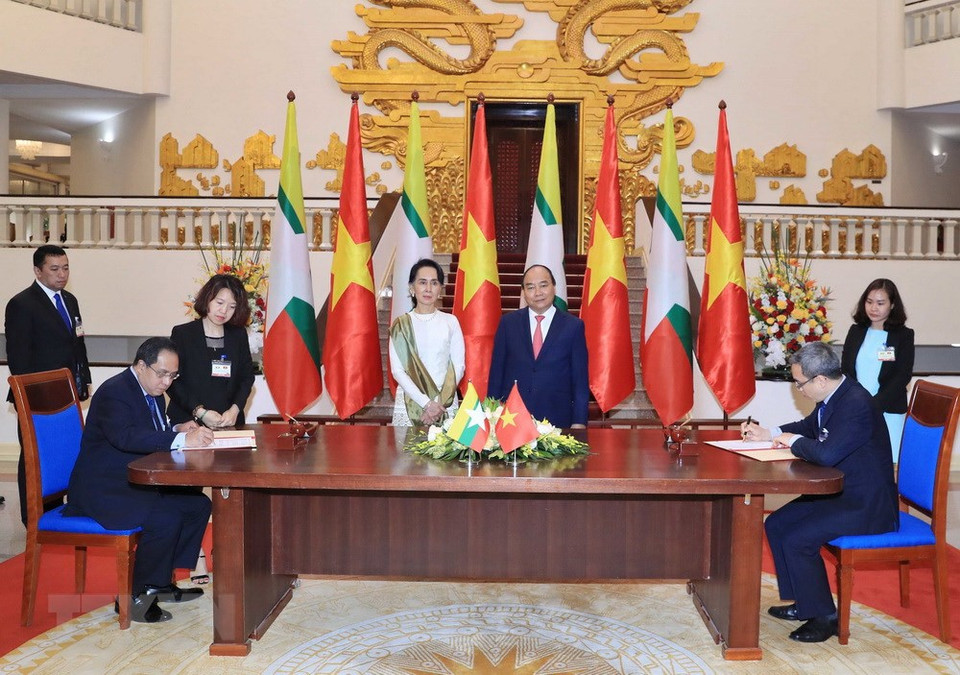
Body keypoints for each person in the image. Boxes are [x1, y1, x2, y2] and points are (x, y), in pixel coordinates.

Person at [741, 341, 898, 643]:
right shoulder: (835, 396)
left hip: (866, 504)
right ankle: (805, 601)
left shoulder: (857, 405)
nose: (798, 389)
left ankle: (825, 618)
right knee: (776, 523)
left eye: (799, 383)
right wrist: (771, 434)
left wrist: (791, 441)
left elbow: (826, 454)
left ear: (821, 380)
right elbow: (809, 427)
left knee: (799, 539)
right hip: (840, 492)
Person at [64, 338, 215, 623]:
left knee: (197, 506)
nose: (167, 382)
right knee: (166, 516)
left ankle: (160, 583)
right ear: (141, 365)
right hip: (103, 488)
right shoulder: (115, 392)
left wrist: (176, 427)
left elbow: (151, 430)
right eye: (162, 373)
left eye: (173, 375)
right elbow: (127, 436)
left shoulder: (151, 388)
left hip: (133, 479)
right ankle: (134, 597)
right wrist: (181, 439)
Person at [5, 244, 91, 525]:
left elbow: (78, 343)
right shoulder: (22, 304)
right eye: (54, 269)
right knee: (34, 456)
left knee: (62, 452)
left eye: (65, 268)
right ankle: (33, 515)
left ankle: (54, 511)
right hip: (36, 397)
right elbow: (18, 358)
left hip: (65, 396)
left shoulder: (71, 300)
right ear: (37, 270)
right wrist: (29, 396)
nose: (62, 274)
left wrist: (84, 379)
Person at [488, 264, 589, 428]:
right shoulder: (508, 323)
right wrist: (492, 413)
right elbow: (496, 373)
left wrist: (579, 422)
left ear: (554, 287)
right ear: (524, 293)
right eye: (530, 287)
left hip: (557, 418)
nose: (538, 293)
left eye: (543, 285)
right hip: (512, 419)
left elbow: (580, 380)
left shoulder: (573, 326)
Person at [167, 274, 255, 428]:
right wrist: (200, 412)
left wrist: (234, 410)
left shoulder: (238, 335)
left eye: (232, 307)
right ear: (208, 298)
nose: (224, 310)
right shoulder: (183, 334)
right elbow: (174, 381)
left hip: (228, 422)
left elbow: (246, 378)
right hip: (188, 421)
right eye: (219, 302)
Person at [841, 278, 914, 462]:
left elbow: (902, 375)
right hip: (856, 409)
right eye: (869, 302)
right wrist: (858, 404)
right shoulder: (856, 331)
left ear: (892, 305)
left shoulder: (903, 336)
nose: (874, 308)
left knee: (887, 465)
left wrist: (873, 406)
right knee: (857, 463)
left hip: (888, 411)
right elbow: (847, 370)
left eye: (880, 303)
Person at [389, 259, 465, 427]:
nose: (428, 289)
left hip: (445, 402)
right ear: (412, 288)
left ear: (440, 289)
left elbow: (458, 366)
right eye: (422, 282)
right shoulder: (401, 325)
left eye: (434, 283)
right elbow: (398, 371)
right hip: (411, 401)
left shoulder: (450, 322)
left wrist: (439, 402)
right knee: (406, 453)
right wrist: (426, 403)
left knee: (445, 453)